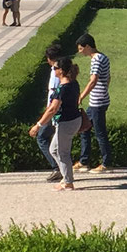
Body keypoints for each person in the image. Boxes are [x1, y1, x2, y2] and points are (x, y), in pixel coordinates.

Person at [30, 50, 83, 190]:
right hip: (73, 120)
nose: (53, 69)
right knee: (54, 150)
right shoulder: (74, 83)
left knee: (62, 152)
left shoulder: (63, 88)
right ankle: (66, 177)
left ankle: (68, 182)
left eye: (55, 68)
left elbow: (52, 109)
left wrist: (38, 125)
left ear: (61, 71)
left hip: (67, 123)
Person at [73, 31, 112, 173]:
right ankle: (84, 161)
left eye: (81, 48)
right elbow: (108, 77)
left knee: (100, 132)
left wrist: (81, 96)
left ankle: (106, 163)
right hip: (99, 99)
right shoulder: (103, 57)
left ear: (88, 46)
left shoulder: (96, 59)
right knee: (85, 128)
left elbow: (93, 80)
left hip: (97, 101)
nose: (79, 51)